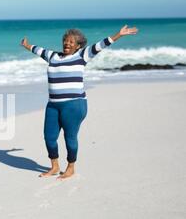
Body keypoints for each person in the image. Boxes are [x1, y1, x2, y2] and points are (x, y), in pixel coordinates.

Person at [21, 25, 138, 180]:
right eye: (65, 41)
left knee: (69, 137)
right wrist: (27, 45)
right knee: (49, 137)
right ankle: (55, 166)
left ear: (78, 46)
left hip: (74, 105)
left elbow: (100, 45)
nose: (67, 43)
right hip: (53, 105)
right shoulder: (53, 56)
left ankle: (71, 167)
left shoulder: (82, 55)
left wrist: (119, 35)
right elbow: (38, 50)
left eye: (71, 42)